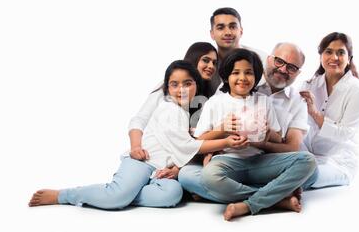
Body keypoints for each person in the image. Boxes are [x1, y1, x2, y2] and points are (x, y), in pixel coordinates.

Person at [28, 61, 247, 209]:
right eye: (174, 84)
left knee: (172, 194)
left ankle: (126, 193)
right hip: (142, 161)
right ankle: (64, 195)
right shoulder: (167, 107)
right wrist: (226, 139)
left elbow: (184, 146)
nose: (181, 89)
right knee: (116, 196)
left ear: (196, 86)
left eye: (188, 84)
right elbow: (188, 145)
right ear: (167, 88)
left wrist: (175, 168)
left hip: (159, 173)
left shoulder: (188, 111)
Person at [179, 43, 311, 207]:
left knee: (308, 160)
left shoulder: (263, 101)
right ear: (226, 76)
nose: (242, 78)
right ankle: (275, 200)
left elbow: (278, 139)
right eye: (236, 73)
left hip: (259, 162)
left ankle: (227, 194)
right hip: (226, 162)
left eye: (249, 73)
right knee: (189, 175)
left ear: (256, 76)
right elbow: (198, 142)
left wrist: (267, 133)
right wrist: (223, 131)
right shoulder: (216, 102)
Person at [128, 42, 218, 180]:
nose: (211, 66)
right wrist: (136, 147)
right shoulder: (169, 91)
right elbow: (139, 120)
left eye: (214, 62)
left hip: (182, 161)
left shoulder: (208, 97)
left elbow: (193, 142)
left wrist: (177, 168)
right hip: (153, 157)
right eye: (206, 60)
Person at [299, 32, 359, 190]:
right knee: (274, 165)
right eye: (328, 52)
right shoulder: (308, 85)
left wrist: (315, 113)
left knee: (303, 175)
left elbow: (345, 133)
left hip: (338, 162)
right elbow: (295, 123)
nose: (334, 57)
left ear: (349, 58)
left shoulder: (357, 90)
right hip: (308, 156)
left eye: (341, 53)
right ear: (321, 56)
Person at [209, 7, 268, 91]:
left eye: (233, 27)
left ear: (241, 31)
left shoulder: (262, 59)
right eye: (220, 28)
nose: (228, 33)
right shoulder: (206, 64)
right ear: (212, 34)